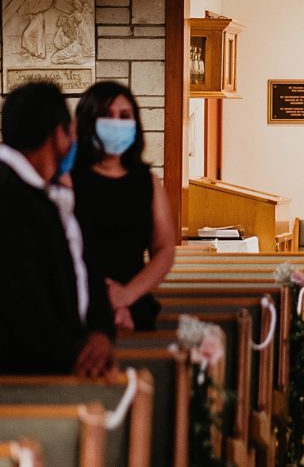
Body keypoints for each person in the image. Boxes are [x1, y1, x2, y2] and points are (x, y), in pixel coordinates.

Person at [0, 81, 116, 375]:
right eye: (69, 134)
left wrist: (100, 332)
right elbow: (21, 300)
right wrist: (75, 356)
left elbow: (85, 268)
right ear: (57, 134)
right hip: (24, 381)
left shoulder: (44, 193)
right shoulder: (9, 194)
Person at [72, 81, 176, 331]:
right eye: (107, 116)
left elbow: (164, 249)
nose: (116, 123)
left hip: (134, 302)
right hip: (78, 303)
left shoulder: (147, 181)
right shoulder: (69, 178)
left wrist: (126, 297)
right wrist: (103, 298)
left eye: (124, 116)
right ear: (88, 122)